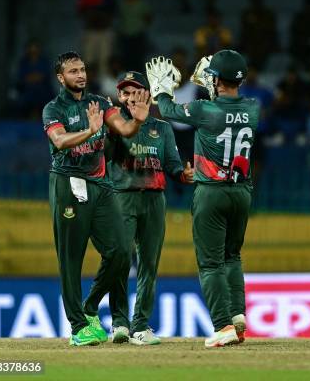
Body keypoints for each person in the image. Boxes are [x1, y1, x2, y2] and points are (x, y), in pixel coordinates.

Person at [145, 50, 259, 348]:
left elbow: (169, 111)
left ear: (218, 80)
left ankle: (223, 326)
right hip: (242, 193)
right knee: (232, 256)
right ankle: (237, 315)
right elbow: (228, 108)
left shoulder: (204, 109)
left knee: (210, 264)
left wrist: (160, 90)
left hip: (211, 193)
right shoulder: (253, 108)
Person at [43, 51, 148, 346]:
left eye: (83, 69)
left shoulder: (100, 103)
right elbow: (60, 141)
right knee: (71, 259)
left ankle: (89, 307)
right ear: (61, 78)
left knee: (120, 251)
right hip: (68, 183)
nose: (80, 75)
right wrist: (89, 130)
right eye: (73, 71)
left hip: (100, 186)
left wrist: (138, 122)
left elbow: (124, 129)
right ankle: (78, 328)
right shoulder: (53, 109)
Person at [108, 71, 194, 345]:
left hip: (155, 200)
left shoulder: (163, 128)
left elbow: (172, 165)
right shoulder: (114, 126)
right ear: (119, 97)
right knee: (120, 260)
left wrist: (184, 175)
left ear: (147, 94)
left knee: (148, 265)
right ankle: (119, 323)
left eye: (136, 90)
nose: (130, 95)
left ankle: (140, 326)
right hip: (123, 197)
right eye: (124, 91)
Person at [77, 0, 117, 78]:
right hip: (91, 32)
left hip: (105, 32)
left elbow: (112, 14)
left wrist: (100, 15)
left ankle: (103, 88)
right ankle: (88, 87)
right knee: (88, 61)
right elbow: (81, 12)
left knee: (104, 62)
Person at [238, 0, 279, 70]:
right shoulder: (246, 14)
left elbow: (271, 31)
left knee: (264, 47)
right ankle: (252, 70)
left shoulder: (268, 14)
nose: (256, 2)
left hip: (265, 45)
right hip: (250, 45)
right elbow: (244, 32)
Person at [14, 39, 54, 120]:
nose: (33, 51)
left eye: (35, 49)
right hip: (27, 89)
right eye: (31, 49)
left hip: (43, 89)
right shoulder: (23, 62)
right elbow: (23, 78)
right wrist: (33, 78)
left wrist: (35, 77)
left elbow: (44, 76)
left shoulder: (44, 61)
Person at [117, 0, 152, 72]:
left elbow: (148, 17)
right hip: (125, 35)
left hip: (138, 35)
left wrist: (141, 26)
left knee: (138, 59)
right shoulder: (122, 4)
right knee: (126, 59)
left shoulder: (142, 3)